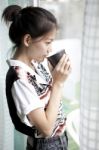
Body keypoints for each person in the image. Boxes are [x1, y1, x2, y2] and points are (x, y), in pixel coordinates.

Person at [2, 5, 71, 150]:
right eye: (48, 42)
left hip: (59, 139)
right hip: (46, 145)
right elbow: (45, 129)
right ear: (27, 40)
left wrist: (55, 77)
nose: (50, 49)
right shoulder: (19, 79)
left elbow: (48, 101)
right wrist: (57, 84)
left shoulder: (36, 64)